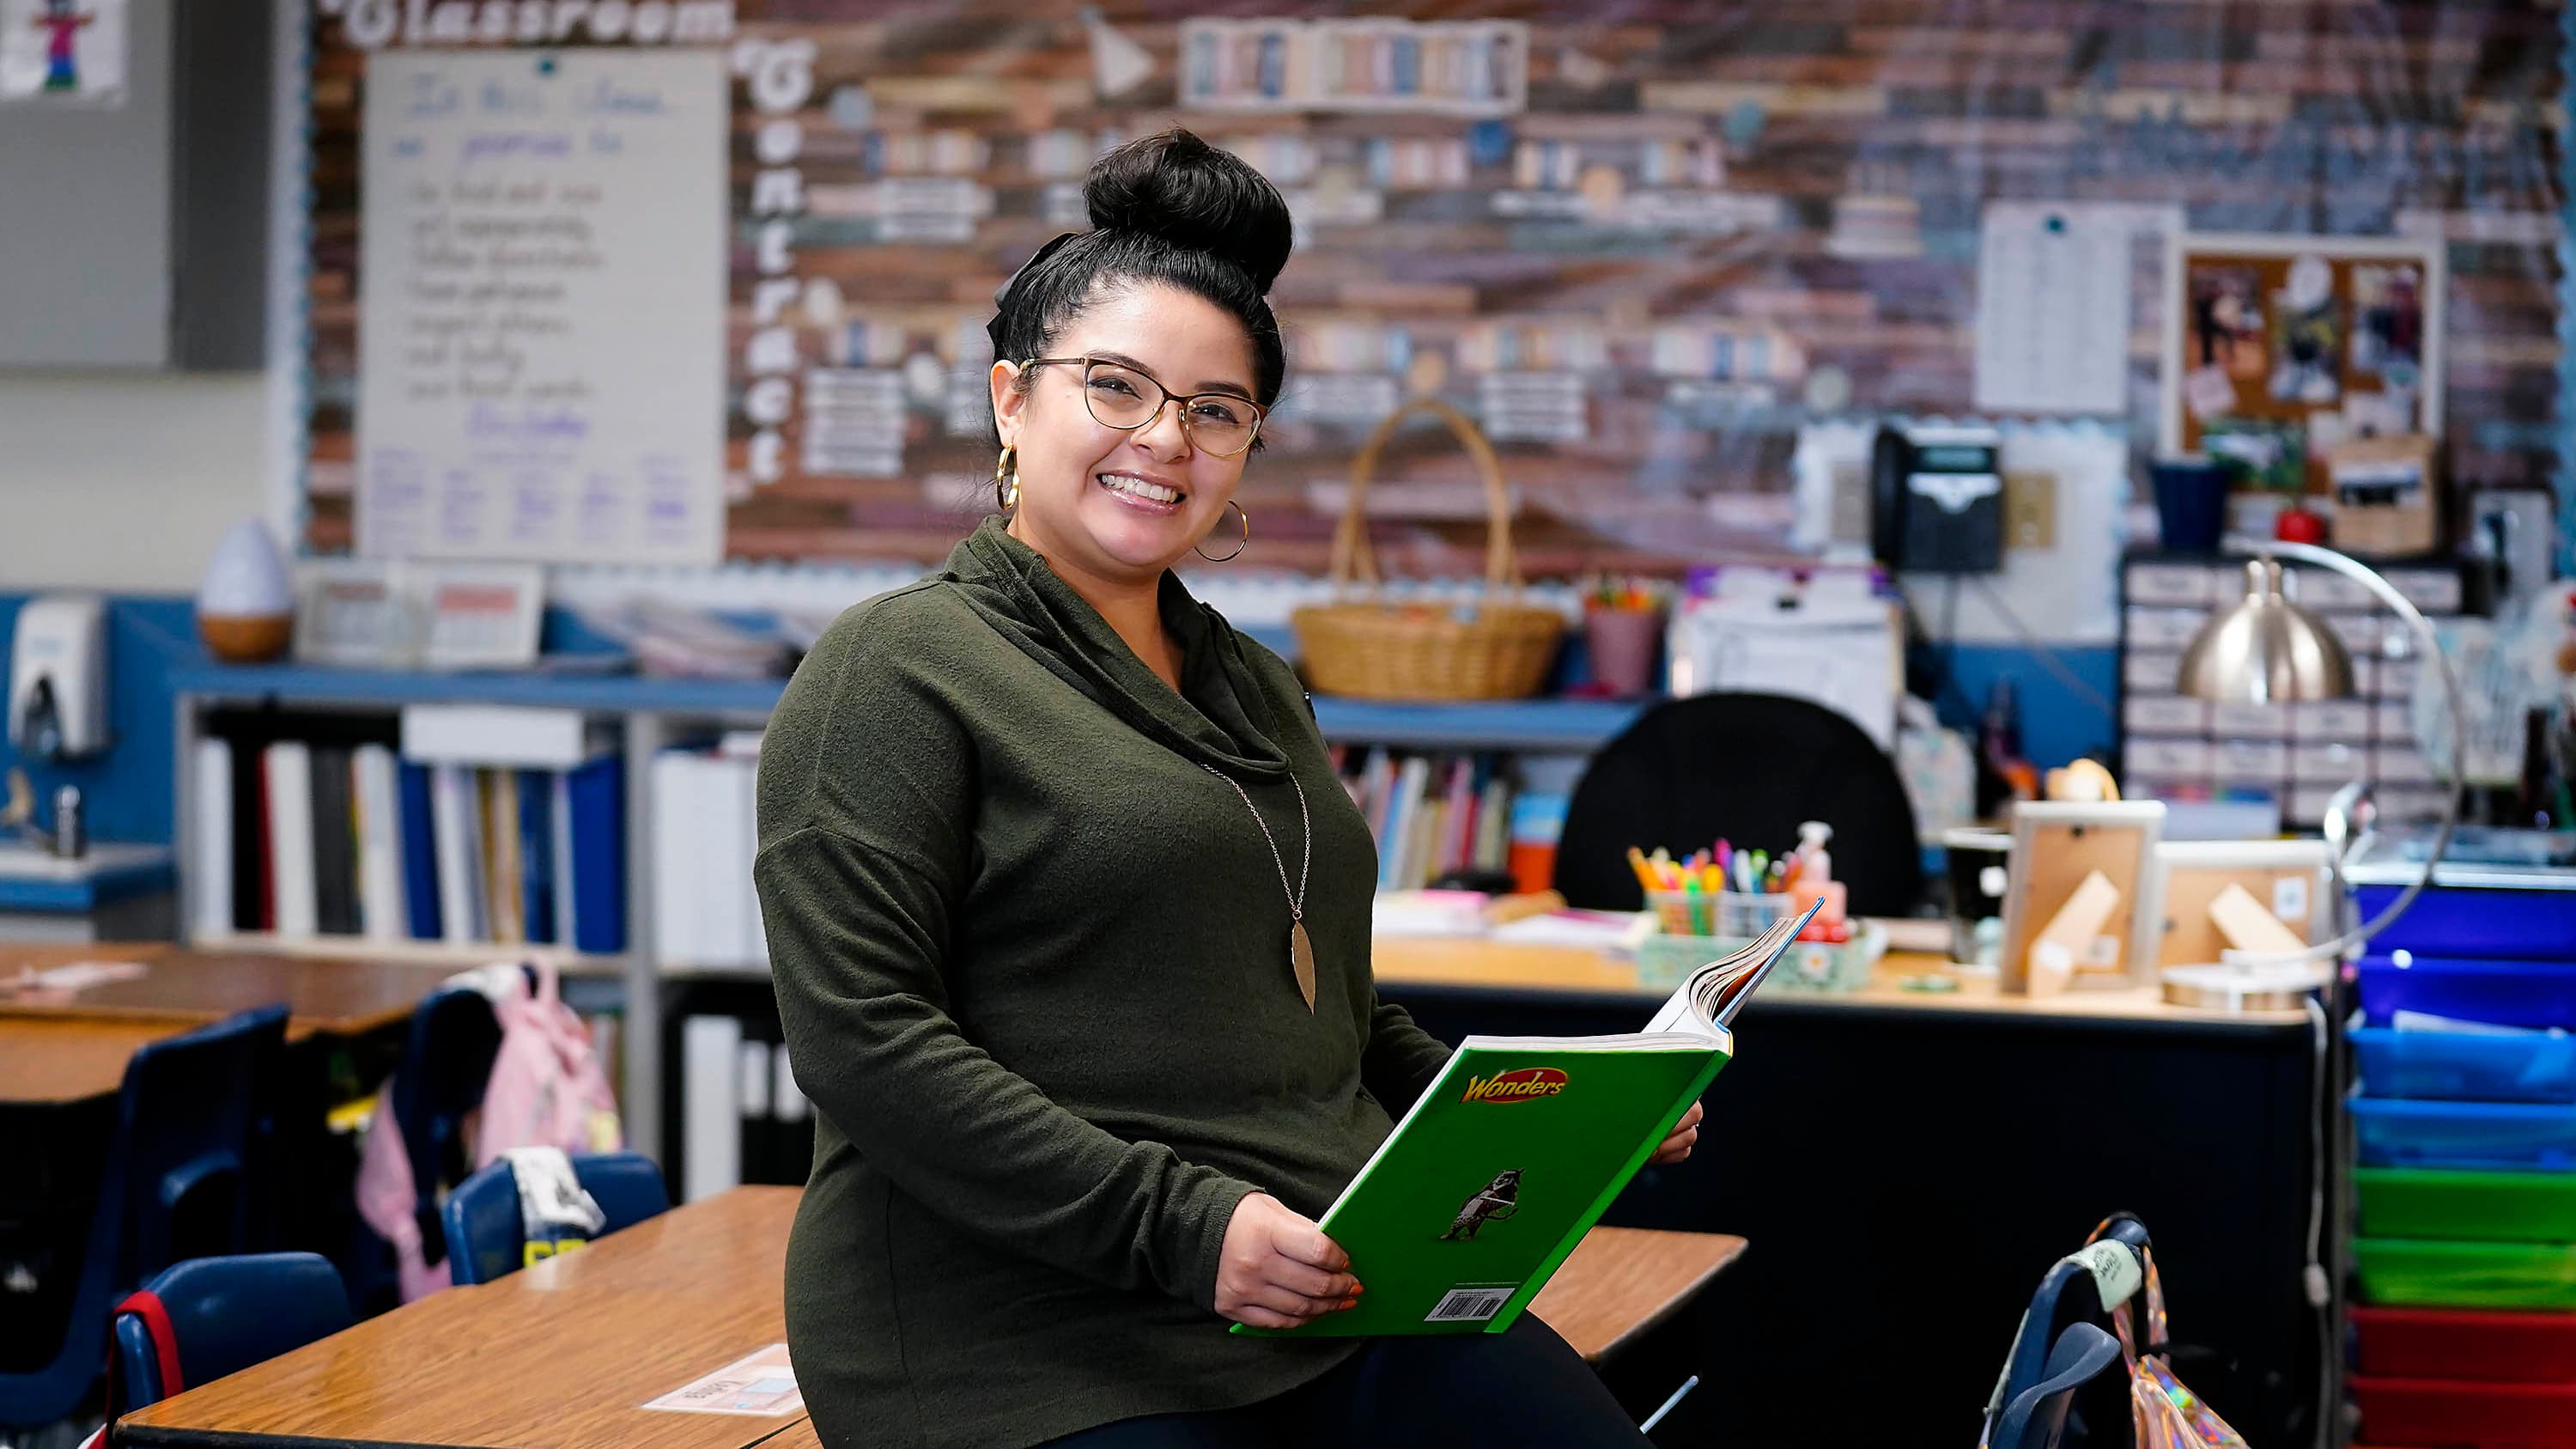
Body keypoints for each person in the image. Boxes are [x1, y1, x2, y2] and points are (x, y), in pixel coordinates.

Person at [755, 129, 1702, 1449]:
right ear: (1010, 401)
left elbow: (1329, 1013)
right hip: (1022, 1339)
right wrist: (1187, 1228)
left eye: (1215, 409)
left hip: (1322, 1289)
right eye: (1118, 387)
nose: (1167, 439)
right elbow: (866, 1046)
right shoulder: (895, 667)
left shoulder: (1257, 680)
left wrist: (1562, 1119)